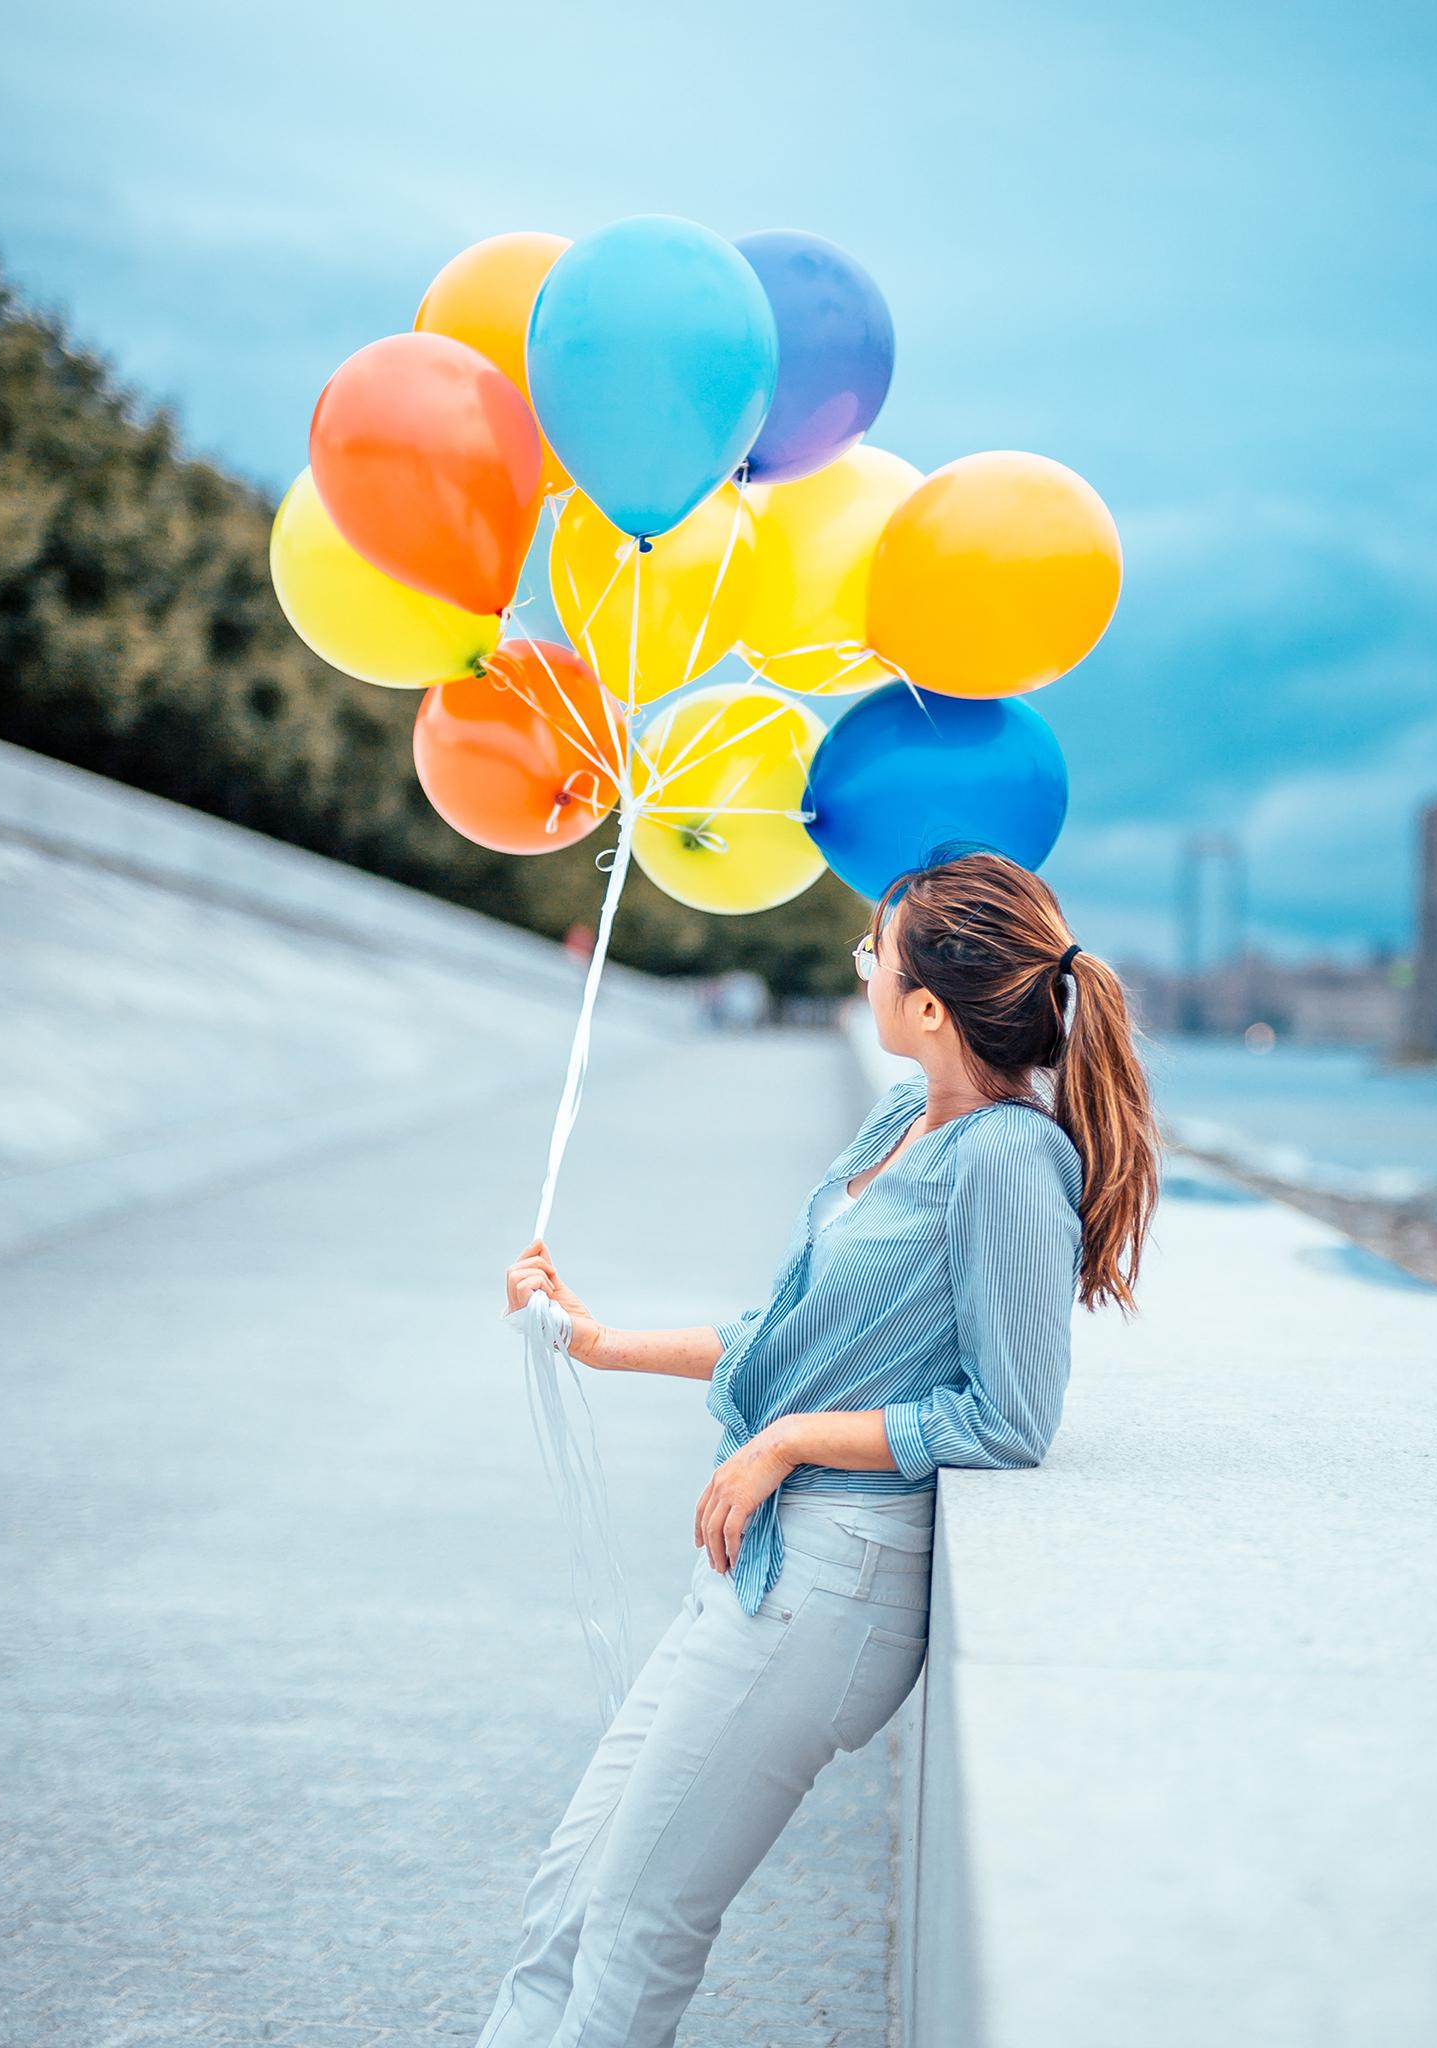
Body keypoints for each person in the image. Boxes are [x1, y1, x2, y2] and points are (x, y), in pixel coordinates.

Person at [478, 847, 1160, 2048]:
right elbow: (797, 1333)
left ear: (928, 1006)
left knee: (638, 1920)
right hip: (760, 1559)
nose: (860, 967)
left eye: (872, 952)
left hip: (834, 1588)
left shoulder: (1003, 1158)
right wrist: (598, 1340)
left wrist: (786, 1439)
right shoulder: (906, 1110)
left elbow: (1010, 1418)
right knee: (568, 1900)